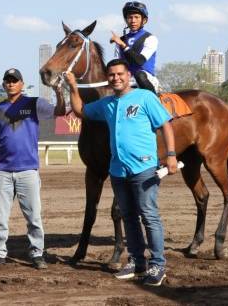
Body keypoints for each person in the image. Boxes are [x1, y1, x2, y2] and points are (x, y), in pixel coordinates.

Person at [65, 59, 177, 287]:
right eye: (112, 75)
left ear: (128, 76)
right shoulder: (107, 104)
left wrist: (172, 154)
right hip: (118, 170)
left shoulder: (145, 97)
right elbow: (80, 111)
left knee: (149, 216)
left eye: (120, 74)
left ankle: (158, 264)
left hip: (144, 168)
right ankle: (137, 261)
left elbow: (165, 124)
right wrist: (74, 88)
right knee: (129, 217)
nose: (116, 78)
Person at [0, 68, 65, 270]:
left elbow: (60, 112)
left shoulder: (34, 103)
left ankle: (37, 252)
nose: (11, 84)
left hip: (28, 170)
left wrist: (58, 92)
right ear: (4, 85)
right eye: (8, 81)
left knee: (34, 217)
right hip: (3, 170)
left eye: (15, 80)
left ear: (22, 84)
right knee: (0, 216)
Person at [110, 1, 159, 93]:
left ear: (143, 20)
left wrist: (123, 45)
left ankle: (153, 101)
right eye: (130, 17)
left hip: (145, 79)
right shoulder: (120, 40)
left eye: (136, 17)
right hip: (126, 79)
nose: (133, 21)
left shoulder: (151, 38)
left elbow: (139, 61)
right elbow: (117, 64)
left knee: (139, 74)